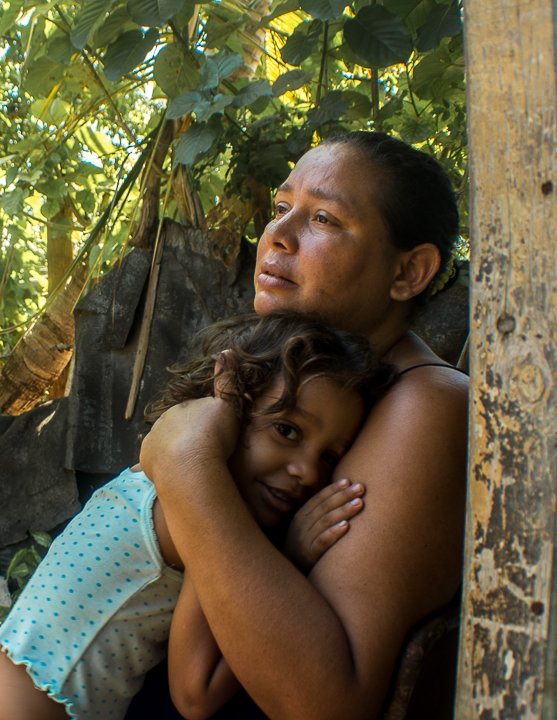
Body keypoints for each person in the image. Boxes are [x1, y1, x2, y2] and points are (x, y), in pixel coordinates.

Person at [126, 130, 469, 720]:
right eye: (282, 209)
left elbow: (323, 703)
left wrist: (186, 467)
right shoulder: (310, 378)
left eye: (324, 219)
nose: (277, 236)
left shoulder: (428, 403)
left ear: (409, 272)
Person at [0, 313, 397, 720]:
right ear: (231, 400)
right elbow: (195, 694)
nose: (308, 472)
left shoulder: (146, 479)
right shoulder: (197, 512)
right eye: (286, 430)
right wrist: (290, 558)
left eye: (332, 457)